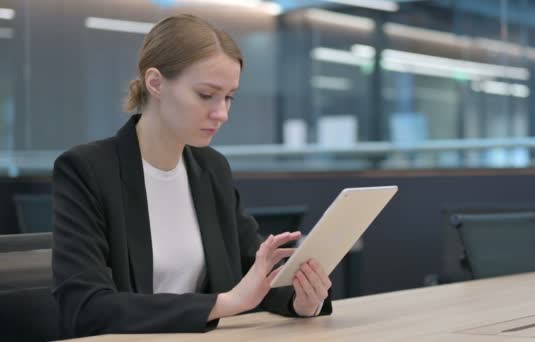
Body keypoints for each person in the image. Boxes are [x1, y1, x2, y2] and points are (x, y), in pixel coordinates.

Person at [52, 14, 332, 338]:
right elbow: (86, 308)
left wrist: (302, 299)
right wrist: (224, 303)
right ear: (155, 83)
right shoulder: (87, 169)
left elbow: (251, 276)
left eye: (228, 97)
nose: (222, 113)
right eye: (205, 95)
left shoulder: (211, 170)